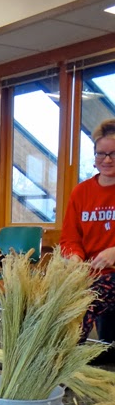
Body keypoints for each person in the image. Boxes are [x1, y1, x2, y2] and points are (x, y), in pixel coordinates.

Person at [60, 118, 115, 342]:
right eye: (101, 154)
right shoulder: (81, 193)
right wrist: (74, 258)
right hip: (88, 276)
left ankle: (62, 360)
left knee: (86, 301)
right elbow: (69, 239)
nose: (107, 159)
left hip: (108, 279)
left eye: (113, 153)